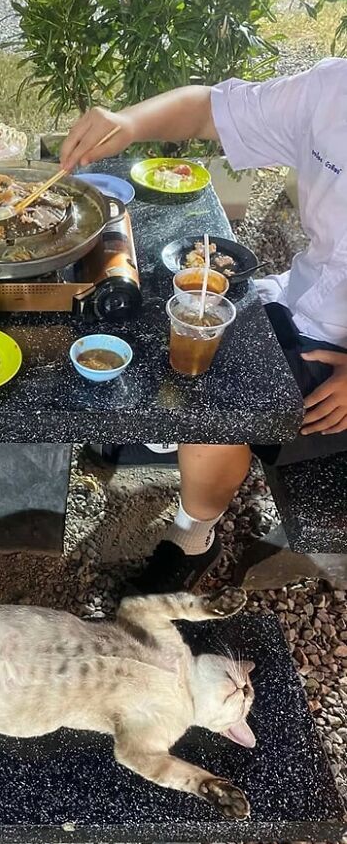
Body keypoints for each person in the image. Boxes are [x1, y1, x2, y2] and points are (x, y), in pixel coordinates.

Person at [61, 57, 347, 592]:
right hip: (296, 292)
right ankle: (150, 438)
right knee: (155, 315)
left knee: (212, 405)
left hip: (334, 354)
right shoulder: (335, 88)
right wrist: (129, 122)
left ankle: (194, 537)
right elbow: (207, 108)